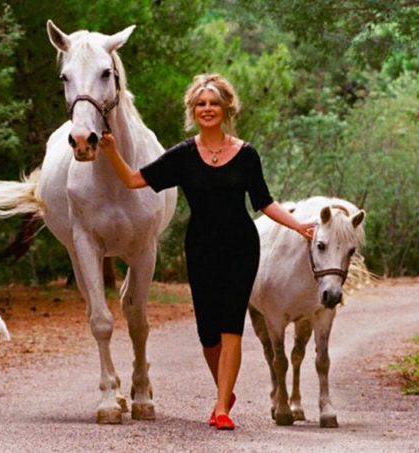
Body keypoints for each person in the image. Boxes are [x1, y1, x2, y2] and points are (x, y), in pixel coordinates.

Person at [100, 73, 314, 430]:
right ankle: (224, 391)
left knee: (232, 326)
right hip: (200, 249)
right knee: (208, 334)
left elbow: (264, 203)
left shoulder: (246, 155)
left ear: (227, 108)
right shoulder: (183, 155)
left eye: (214, 103)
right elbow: (134, 180)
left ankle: (221, 409)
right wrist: (110, 152)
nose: (208, 109)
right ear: (193, 110)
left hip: (241, 248)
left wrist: (298, 225)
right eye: (201, 104)